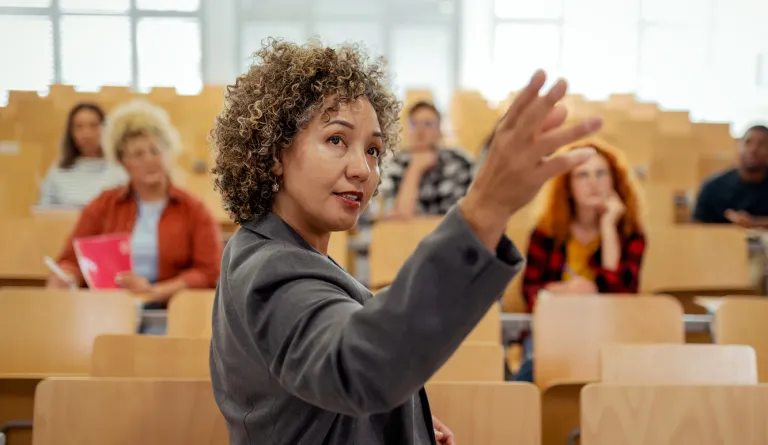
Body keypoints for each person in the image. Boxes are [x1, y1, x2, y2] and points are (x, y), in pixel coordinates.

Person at [209, 39, 602, 445]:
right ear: (275, 151)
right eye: (336, 140)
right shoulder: (271, 266)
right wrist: (485, 208)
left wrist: (403, 425)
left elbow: (320, 397)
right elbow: (355, 369)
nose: (363, 169)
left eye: (374, 150)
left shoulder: (281, 252)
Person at [46, 100, 223, 309]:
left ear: (169, 154)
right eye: (138, 154)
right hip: (111, 309)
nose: (149, 160)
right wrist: (67, 277)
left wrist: (155, 292)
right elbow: (72, 260)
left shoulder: (194, 209)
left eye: (156, 151)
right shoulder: (102, 206)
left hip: (169, 311)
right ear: (123, 162)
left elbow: (209, 272)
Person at [514, 138, 646, 382]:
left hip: (609, 329)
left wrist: (608, 228)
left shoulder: (631, 234)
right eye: (582, 175)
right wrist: (564, 292)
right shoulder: (546, 232)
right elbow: (530, 293)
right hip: (554, 329)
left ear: (614, 180)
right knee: (536, 366)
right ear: (568, 185)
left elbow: (621, 296)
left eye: (601, 173)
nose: (593, 183)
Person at [378, 101, 474, 218]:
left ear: (439, 129)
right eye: (414, 124)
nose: (420, 130)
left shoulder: (459, 162)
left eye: (428, 124)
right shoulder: (393, 164)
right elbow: (398, 217)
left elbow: (459, 217)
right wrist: (415, 169)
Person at [38, 102, 127, 207]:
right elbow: (43, 212)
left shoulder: (120, 169)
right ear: (71, 132)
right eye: (79, 127)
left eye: (93, 126)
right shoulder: (58, 170)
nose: (86, 134)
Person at [693, 125, 768, 228]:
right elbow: (697, 228)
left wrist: (754, 223)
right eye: (747, 143)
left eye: (762, 144)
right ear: (738, 146)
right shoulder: (712, 188)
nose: (753, 149)